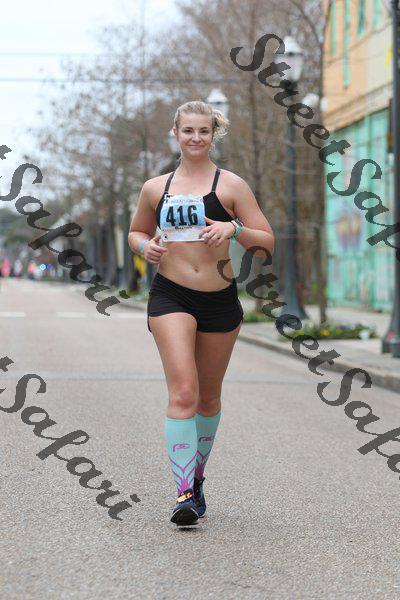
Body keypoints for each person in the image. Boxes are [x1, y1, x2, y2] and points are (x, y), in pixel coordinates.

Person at [128, 100, 274, 527]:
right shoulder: (155, 188)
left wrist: (235, 228)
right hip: (171, 296)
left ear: (214, 134)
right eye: (188, 130)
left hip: (219, 299)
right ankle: (184, 494)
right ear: (175, 133)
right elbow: (136, 231)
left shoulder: (231, 185)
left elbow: (266, 244)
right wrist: (145, 246)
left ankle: (197, 476)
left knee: (208, 399)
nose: (196, 138)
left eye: (204, 131)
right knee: (184, 393)